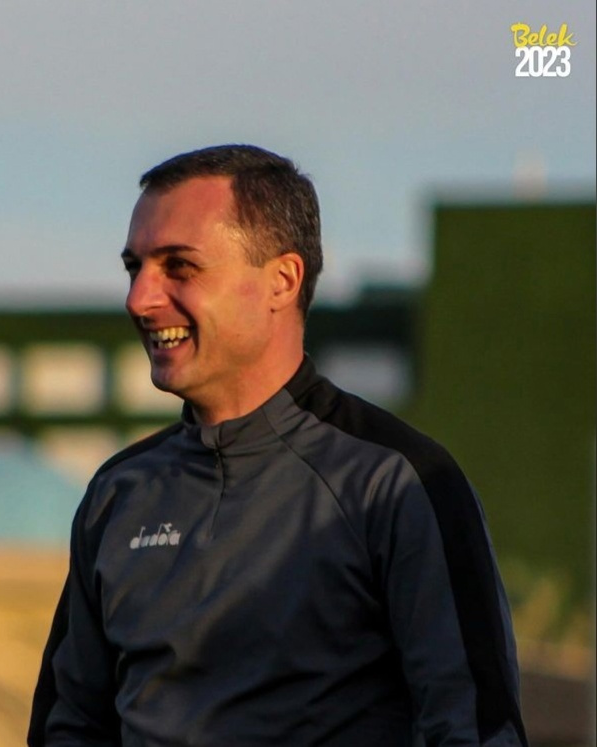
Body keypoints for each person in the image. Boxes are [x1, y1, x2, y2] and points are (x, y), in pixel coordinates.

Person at [28, 145, 528, 746]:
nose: (140, 299)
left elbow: (472, 728)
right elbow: (68, 727)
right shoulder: (118, 493)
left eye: (179, 266)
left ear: (282, 281)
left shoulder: (396, 482)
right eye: (135, 268)